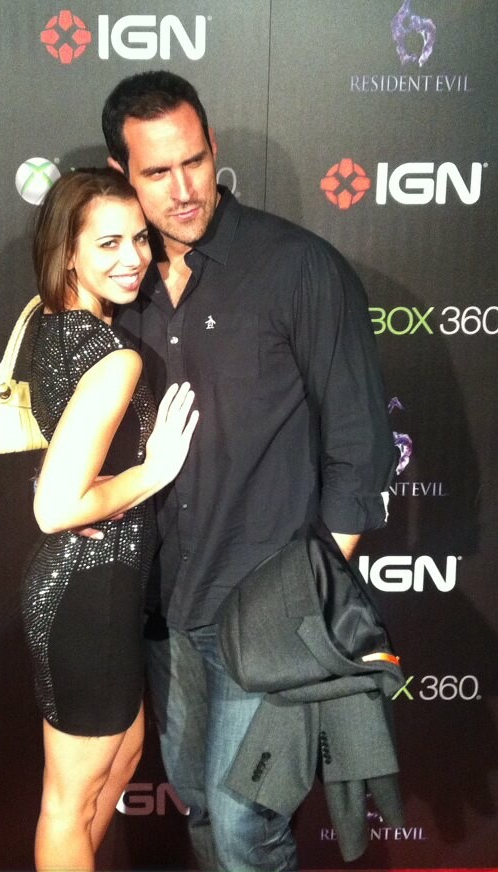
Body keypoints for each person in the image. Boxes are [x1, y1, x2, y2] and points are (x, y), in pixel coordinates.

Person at [102, 71, 398, 871]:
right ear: (121, 172)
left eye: (194, 161)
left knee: (244, 825)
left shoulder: (297, 268)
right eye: (157, 172)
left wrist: (305, 593)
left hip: (263, 607)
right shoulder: (117, 286)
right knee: (199, 804)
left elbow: (360, 446)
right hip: (164, 609)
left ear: (213, 148)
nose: (183, 189)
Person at [20, 167, 200, 871]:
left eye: (140, 239)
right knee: (70, 801)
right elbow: (55, 508)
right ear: (67, 253)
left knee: (121, 761)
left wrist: (102, 482)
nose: (133, 258)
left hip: (103, 587)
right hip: (86, 593)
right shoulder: (112, 355)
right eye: (108, 244)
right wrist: (154, 471)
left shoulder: (56, 326)